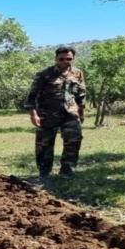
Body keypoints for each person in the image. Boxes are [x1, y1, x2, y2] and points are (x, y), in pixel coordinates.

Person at [24, 46, 87, 179]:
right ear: (56, 58)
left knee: (74, 141)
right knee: (44, 145)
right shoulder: (44, 74)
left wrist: (81, 112)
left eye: (68, 59)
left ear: (73, 58)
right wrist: (33, 114)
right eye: (61, 59)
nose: (65, 61)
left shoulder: (77, 73)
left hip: (71, 114)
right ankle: (44, 173)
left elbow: (81, 94)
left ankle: (67, 171)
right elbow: (32, 96)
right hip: (47, 114)